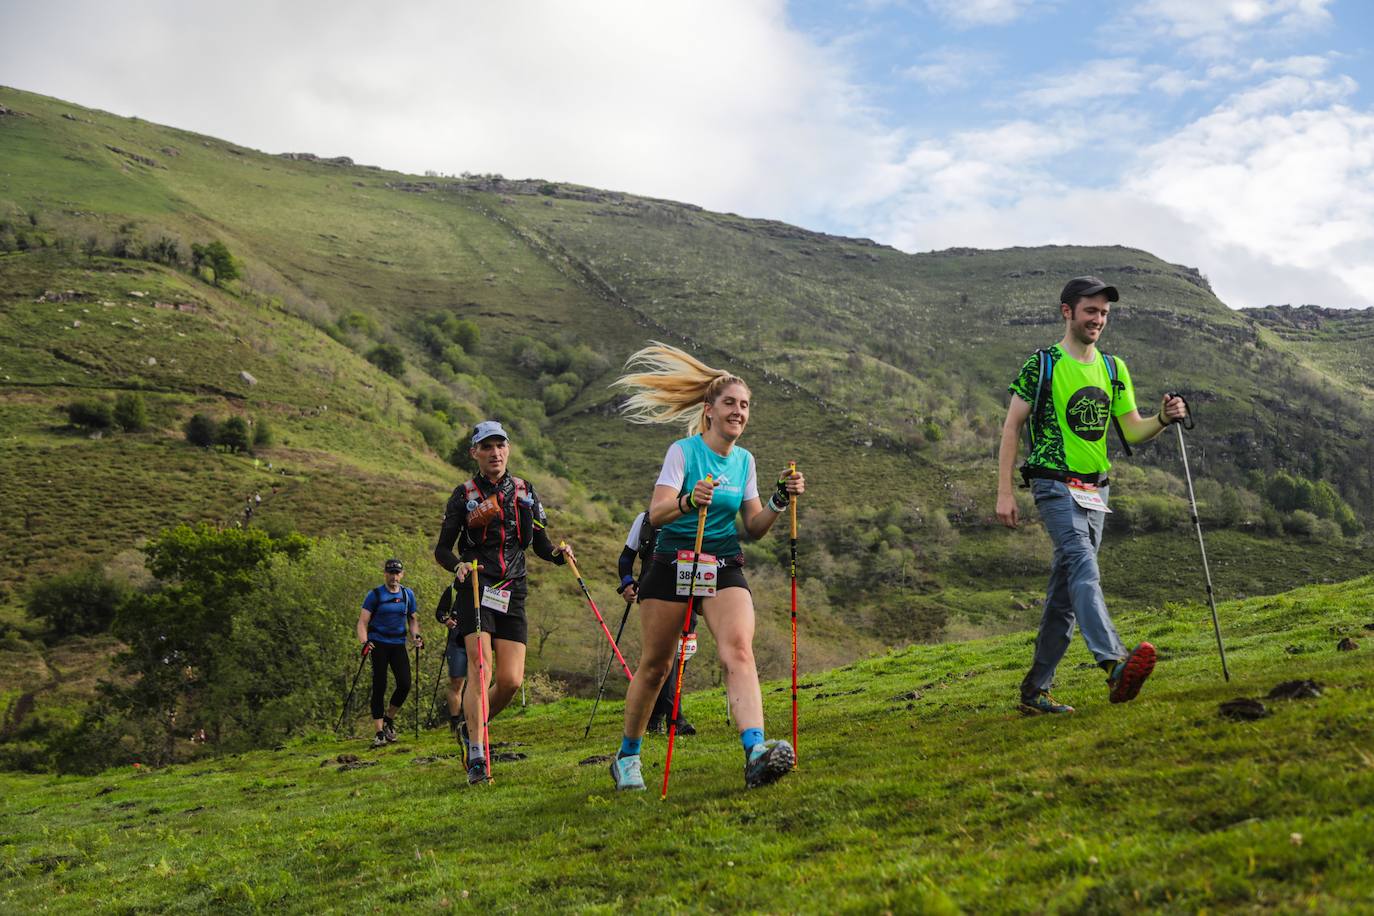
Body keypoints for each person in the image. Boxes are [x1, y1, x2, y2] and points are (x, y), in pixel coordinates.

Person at [606, 343, 804, 792]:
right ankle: (628, 757)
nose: (739, 412)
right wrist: (686, 500)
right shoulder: (683, 452)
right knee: (656, 666)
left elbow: (753, 526)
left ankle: (755, 751)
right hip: (673, 558)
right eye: (730, 403)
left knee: (739, 649)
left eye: (745, 405)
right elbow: (656, 513)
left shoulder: (746, 461)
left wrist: (778, 499)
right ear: (709, 410)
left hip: (722, 560)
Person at [996, 276, 1187, 715]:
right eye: (1090, 311)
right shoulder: (1042, 363)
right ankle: (1114, 663)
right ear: (1068, 312)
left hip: (1096, 490)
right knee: (1083, 564)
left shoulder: (1114, 368)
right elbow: (1011, 428)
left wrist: (1161, 417)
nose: (1098, 319)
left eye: (1103, 313)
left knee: (1065, 595)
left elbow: (1133, 429)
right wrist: (1004, 492)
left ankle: (1034, 692)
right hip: (1054, 483)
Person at [433, 420, 574, 785]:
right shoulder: (462, 495)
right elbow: (441, 549)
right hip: (477, 587)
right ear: (474, 453)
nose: (495, 453)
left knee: (510, 680)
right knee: (481, 671)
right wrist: (458, 564)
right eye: (487, 446)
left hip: (513, 589)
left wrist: (560, 554)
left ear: (508, 450)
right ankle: (478, 756)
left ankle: (469, 729)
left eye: (501, 446)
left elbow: (540, 544)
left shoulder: (525, 491)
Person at [616, 507, 697, 736]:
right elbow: (626, 557)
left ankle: (656, 716)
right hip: (654, 593)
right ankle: (675, 718)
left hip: (688, 591)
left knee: (683, 653)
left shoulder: (698, 516)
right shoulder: (646, 519)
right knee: (662, 655)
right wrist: (627, 582)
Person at [356, 558, 422, 747]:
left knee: (405, 683)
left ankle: (388, 719)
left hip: (398, 644)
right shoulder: (375, 595)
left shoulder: (408, 595)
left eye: (397, 573)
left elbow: (412, 619)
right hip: (378, 644)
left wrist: (416, 636)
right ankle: (379, 732)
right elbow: (362, 622)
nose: (394, 576)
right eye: (390, 572)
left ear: (402, 574)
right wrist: (364, 641)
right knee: (380, 685)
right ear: (385, 573)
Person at [435, 585, 468, 742]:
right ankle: (455, 722)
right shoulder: (453, 589)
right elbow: (439, 612)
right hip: (457, 643)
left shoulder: (485, 584)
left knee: (479, 682)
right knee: (457, 683)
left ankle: (474, 718)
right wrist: (446, 620)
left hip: (479, 639)